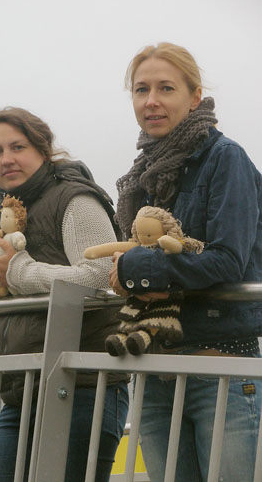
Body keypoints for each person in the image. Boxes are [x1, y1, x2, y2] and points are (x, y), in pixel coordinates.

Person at [109, 42, 262, 482]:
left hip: (220, 366)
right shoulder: (142, 175)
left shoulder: (225, 157)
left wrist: (136, 272)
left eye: (165, 88)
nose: (151, 100)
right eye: (141, 90)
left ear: (195, 97)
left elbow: (228, 261)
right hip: (155, 370)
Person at [0, 107, 129, 482]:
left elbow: (102, 276)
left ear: (43, 149)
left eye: (17, 147)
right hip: (19, 395)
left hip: (83, 387)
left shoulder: (76, 199)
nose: (6, 159)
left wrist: (19, 271)